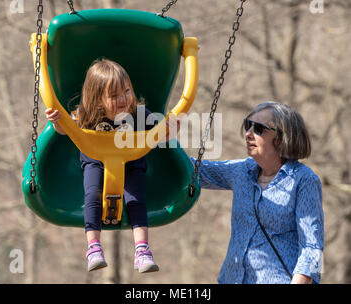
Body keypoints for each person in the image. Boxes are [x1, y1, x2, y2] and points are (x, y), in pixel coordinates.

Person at [45, 58, 172, 273]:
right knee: (92, 195)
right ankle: (93, 247)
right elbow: (65, 129)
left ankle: (142, 250)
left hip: (131, 163)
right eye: (114, 96)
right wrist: (57, 120)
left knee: (136, 199)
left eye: (127, 91)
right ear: (98, 99)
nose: (123, 99)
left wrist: (170, 126)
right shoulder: (88, 115)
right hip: (96, 162)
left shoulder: (138, 114)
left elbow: (162, 133)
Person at [190, 102, 324, 284]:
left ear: (283, 137)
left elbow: (312, 248)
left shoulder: (305, 180)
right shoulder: (241, 171)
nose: (248, 133)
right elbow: (194, 170)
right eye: (248, 125)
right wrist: (159, 137)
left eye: (259, 129)